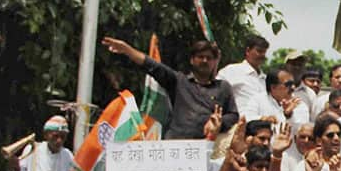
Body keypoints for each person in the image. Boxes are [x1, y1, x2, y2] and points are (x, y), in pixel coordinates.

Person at [101, 37, 238, 139]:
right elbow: (152, 65)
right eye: (200, 57)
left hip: (208, 147)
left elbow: (233, 115)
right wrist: (126, 49)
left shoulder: (223, 87)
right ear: (192, 60)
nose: (204, 61)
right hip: (176, 146)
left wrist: (219, 123)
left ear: (215, 62)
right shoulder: (179, 81)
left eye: (209, 58)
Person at [217, 34, 270, 118]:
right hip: (240, 125)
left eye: (264, 52)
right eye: (259, 51)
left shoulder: (265, 79)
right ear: (248, 51)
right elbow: (214, 90)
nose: (262, 55)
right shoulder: (232, 70)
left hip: (264, 125)